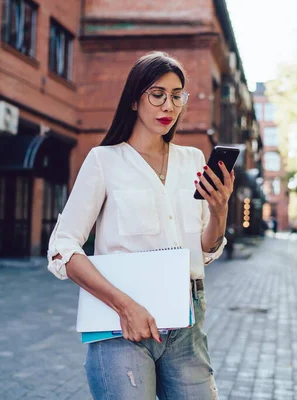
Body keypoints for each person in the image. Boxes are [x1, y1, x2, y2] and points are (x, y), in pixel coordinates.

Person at [46, 51, 232, 400]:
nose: (169, 105)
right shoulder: (104, 161)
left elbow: (206, 250)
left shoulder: (192, 159)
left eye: (177, 95)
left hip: (187, 322)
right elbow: (63, 249)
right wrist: (123, 306)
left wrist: (219, 210)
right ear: (134, 100)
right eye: (157, 94)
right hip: (121, 325)